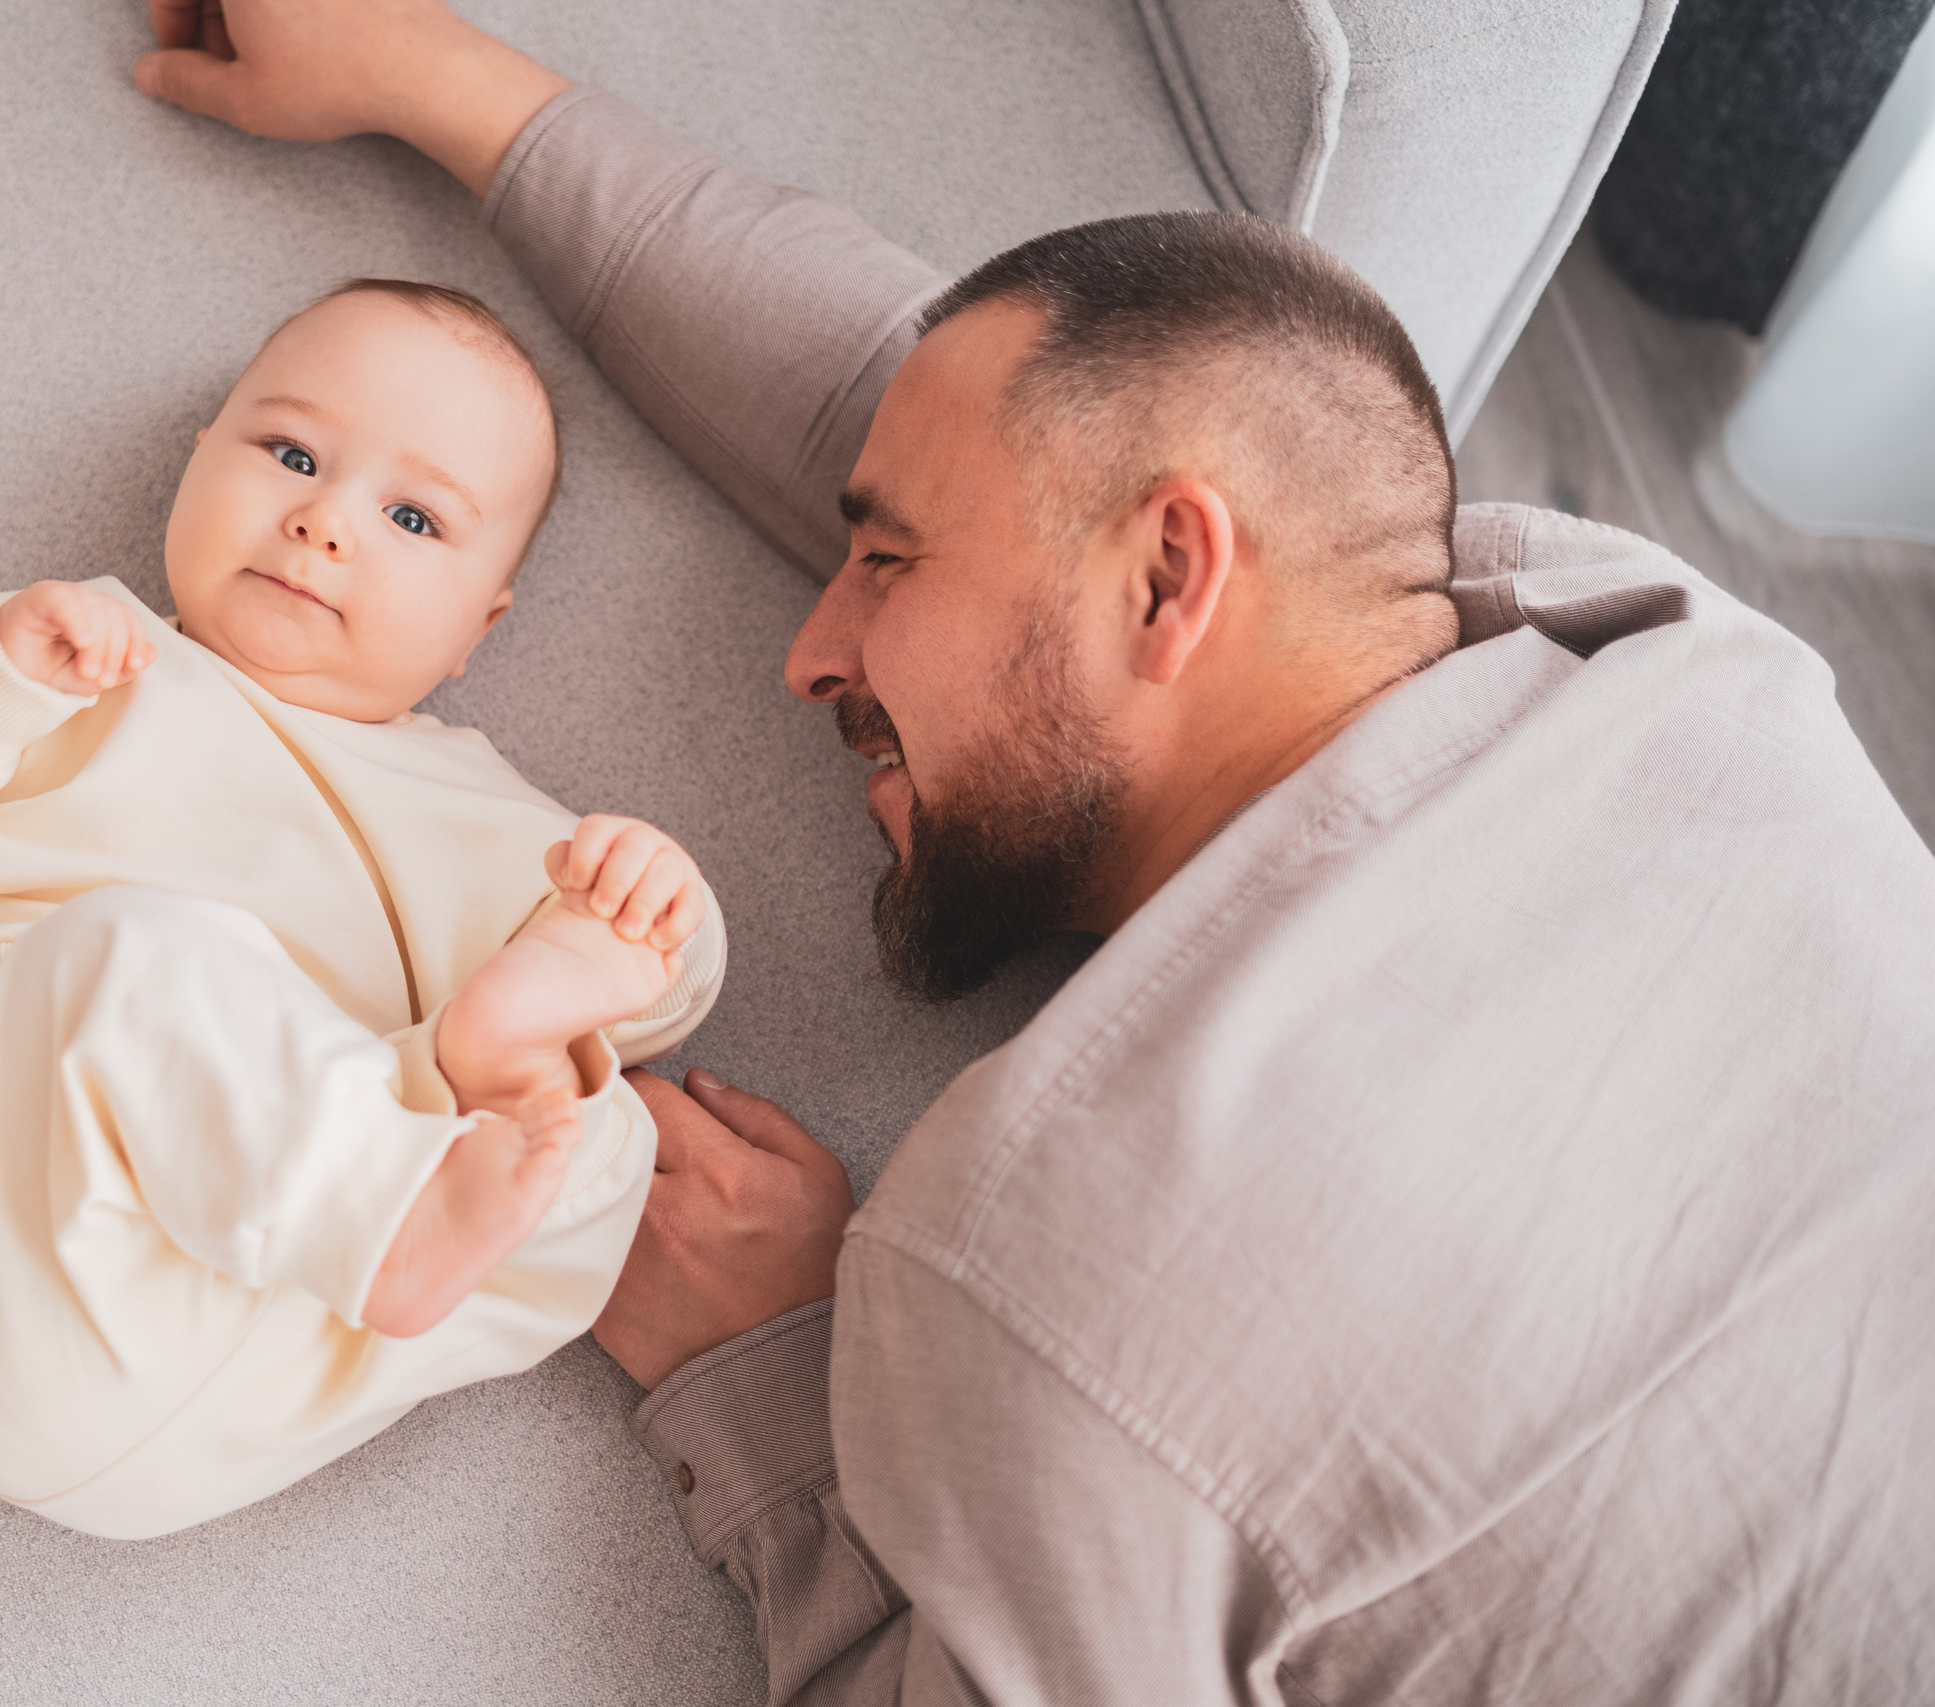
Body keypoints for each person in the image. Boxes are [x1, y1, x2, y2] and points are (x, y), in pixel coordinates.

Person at [135, 5, 1935, 1702]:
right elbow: (941, 407)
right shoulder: (1656, 641)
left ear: (1170, 576)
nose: (807, 653)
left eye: (886, 563)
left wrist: (764, 1381)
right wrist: (432, 75)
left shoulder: (1023, 1262)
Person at [0, 278, 728, 1541]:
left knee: (607, 1136)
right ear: (196, 463)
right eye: (292, 454)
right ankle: (390, 1195)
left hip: (269, 1353)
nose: (321, 523)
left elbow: (649, 996)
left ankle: (438, 1135)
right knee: (133, 956)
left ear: (479, 626)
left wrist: (643, 910)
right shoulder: (92, 665)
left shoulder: (505, 825)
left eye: (413, 516)